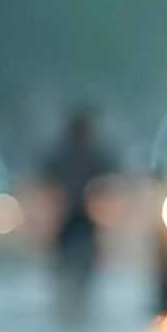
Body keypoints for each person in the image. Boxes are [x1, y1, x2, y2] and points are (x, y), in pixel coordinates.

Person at [39, 105, 117, 313]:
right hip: (69, 214)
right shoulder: (67, 152)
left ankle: (76, 292)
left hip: (84, 213)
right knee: (65, 257)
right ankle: (70, 292)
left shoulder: (91, 152)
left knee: (82, 257)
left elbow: (109, 177)